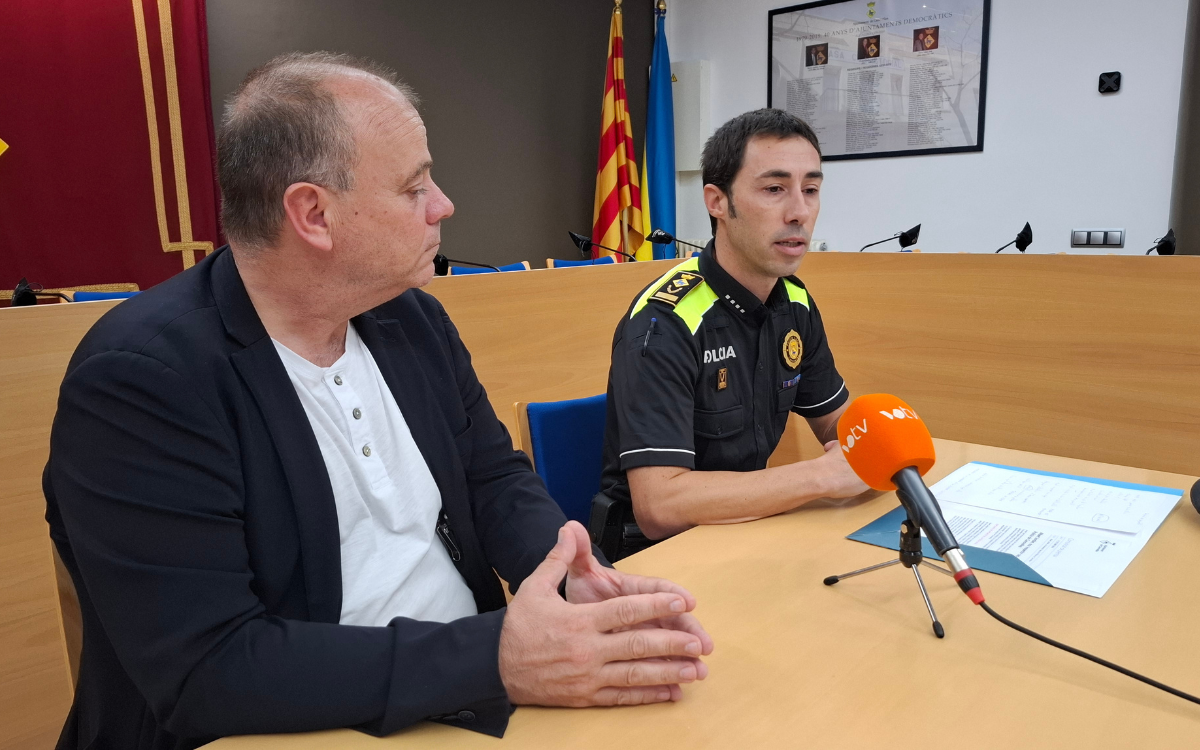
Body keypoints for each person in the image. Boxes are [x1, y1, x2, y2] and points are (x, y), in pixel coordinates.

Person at [43, 52, 712, 750]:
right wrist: (497, 657)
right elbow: (209, 670)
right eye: (414, 187)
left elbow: (492, 477)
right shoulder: (140, 381)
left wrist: (568, 576)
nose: (443, 205)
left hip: (472, 698)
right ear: (313, 215)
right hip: (302, 727)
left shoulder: (409, 318)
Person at [597, 108, 869, 557]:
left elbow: (839, 425)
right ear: (717, 201)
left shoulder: (794, 302)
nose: (800, 211)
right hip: (659, 557)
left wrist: (882, 444)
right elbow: (659, 506)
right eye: (775, 189)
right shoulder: (665, 321)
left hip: (748, 533)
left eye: (811, 189)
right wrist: (820, 476)